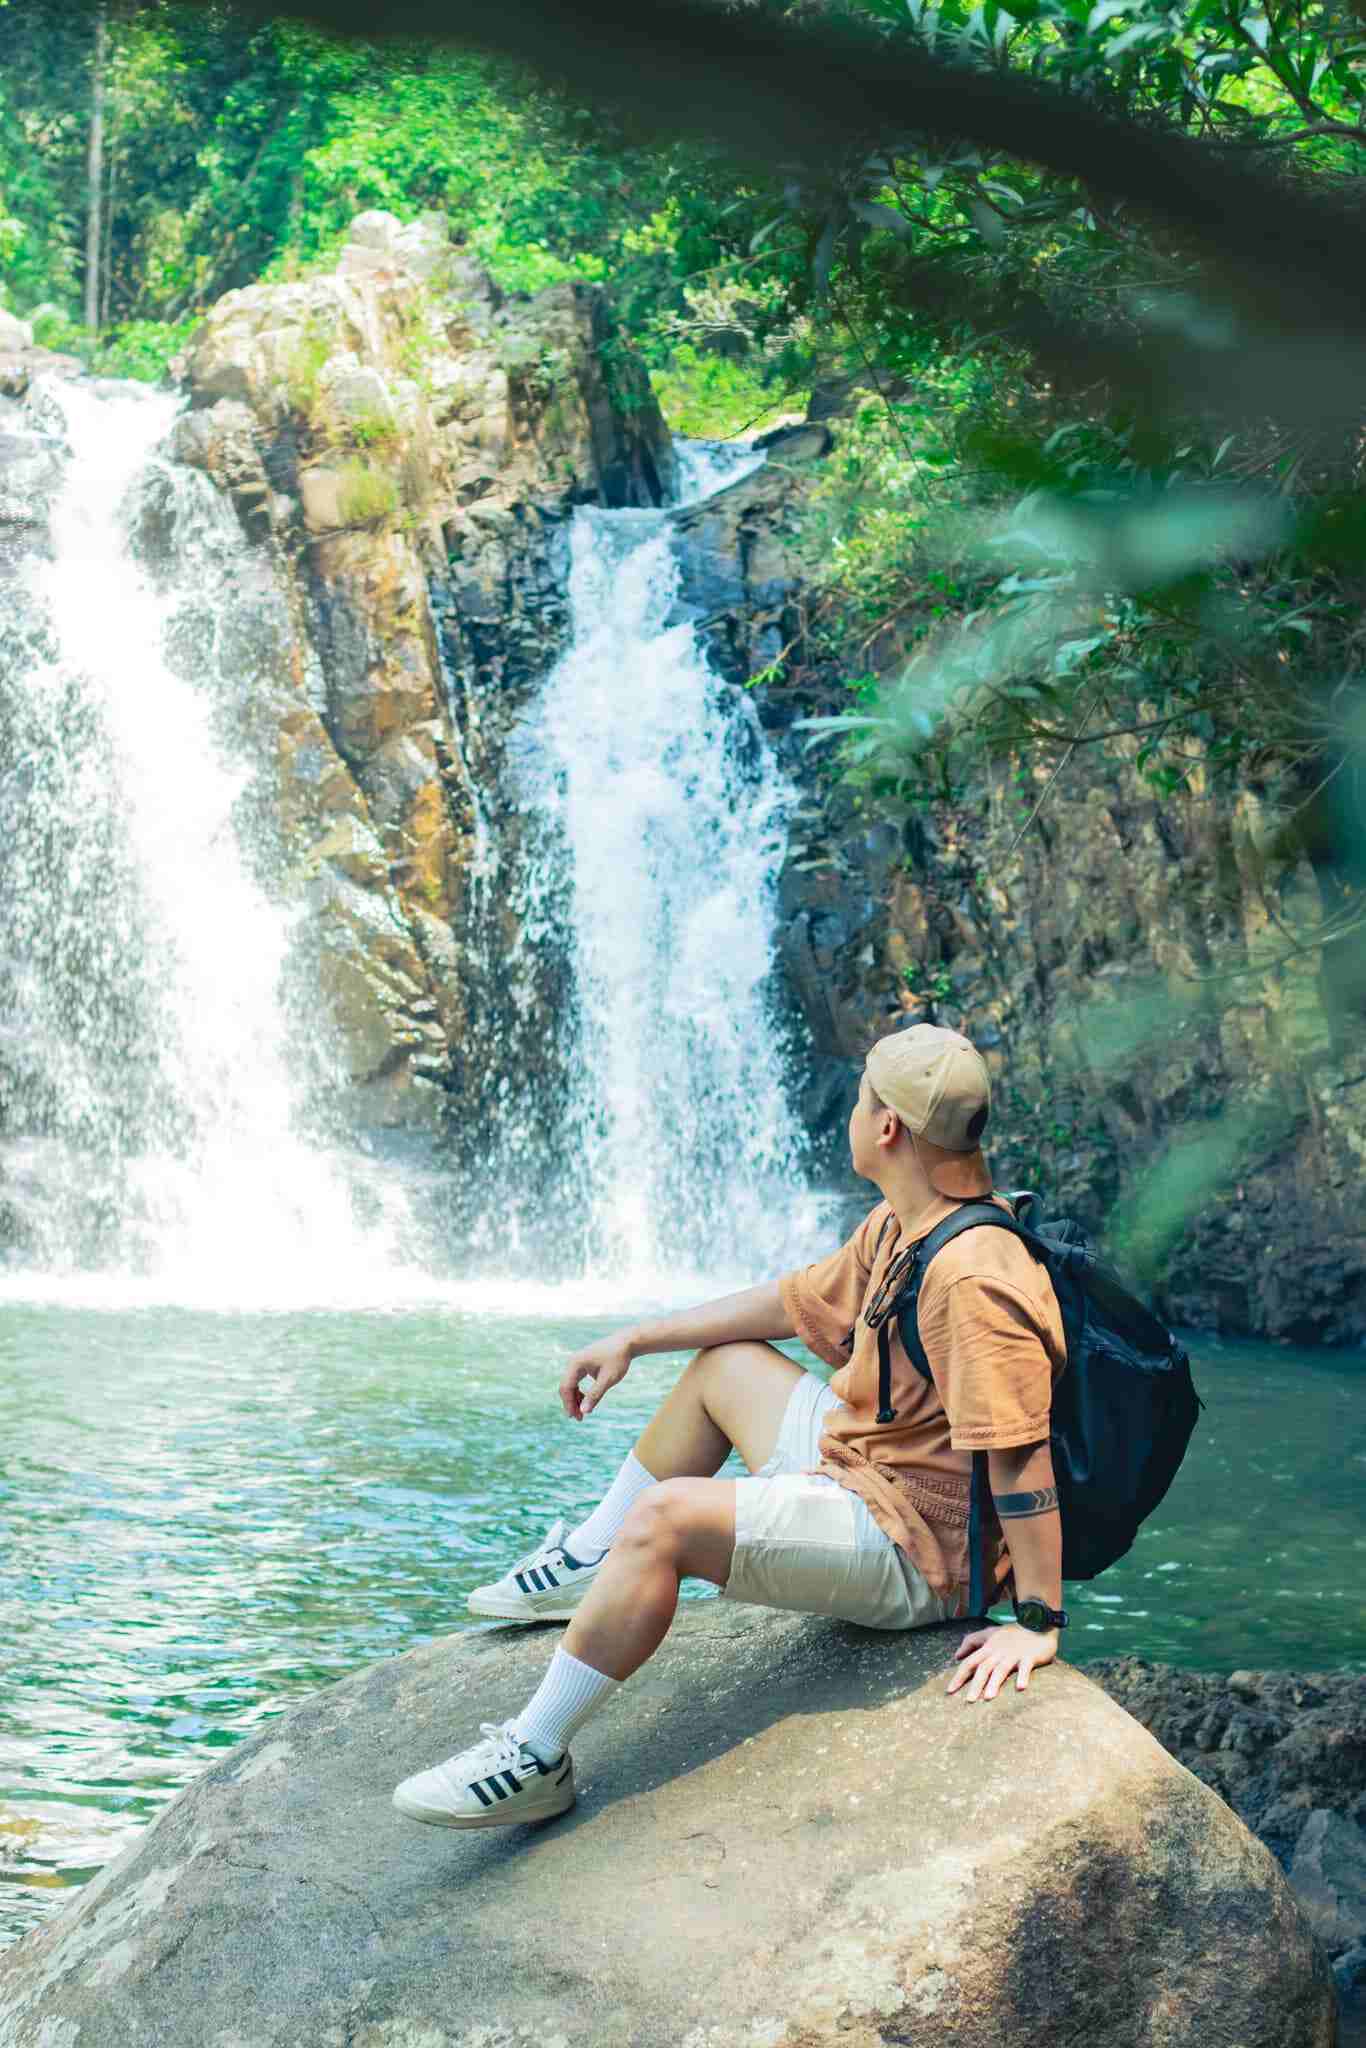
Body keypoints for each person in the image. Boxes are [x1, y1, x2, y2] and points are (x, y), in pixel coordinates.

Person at [393, 1022, 1069, 1830]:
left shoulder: (971, 1276)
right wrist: (636, 1340)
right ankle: (593, 1558)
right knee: (723, 1363)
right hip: (861, 1469)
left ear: (887, 1126)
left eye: (860, 1103)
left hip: (920, 1546)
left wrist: (1038, 1622)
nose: (852, 1117)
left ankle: (535, 1756)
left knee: (667, 1519)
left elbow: (1021, 1460)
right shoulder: (903, 1224)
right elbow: (789, 1303)